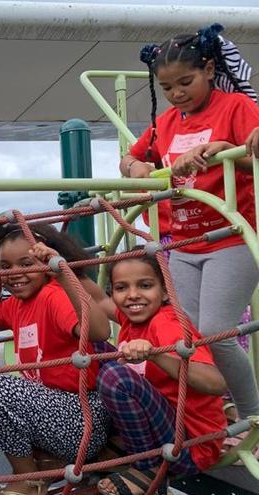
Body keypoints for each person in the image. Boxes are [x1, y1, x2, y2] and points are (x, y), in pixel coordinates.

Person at [119, 23, 259, 422]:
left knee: (217, 330)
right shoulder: (166, 123)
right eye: (167, 88)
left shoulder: (235, 108)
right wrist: (138, 166)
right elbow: (130, 159)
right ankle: (217, 413)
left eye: (185, 82)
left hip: (230, 237)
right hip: (182, 243)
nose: (177, 94)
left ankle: (252, 415)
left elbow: (254, 153)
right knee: (189, 336)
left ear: (210, 70)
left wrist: (222, 150)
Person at [0, 224, 111, 495]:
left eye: (26, 263)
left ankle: (29, 477)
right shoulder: (17, 304)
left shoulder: (54, 296)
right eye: (6, 266)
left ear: (45, 261)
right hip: (52, 414)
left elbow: (100, 331)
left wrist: (62, 273)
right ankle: (42, 466)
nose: (15, 274)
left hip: (82, 417)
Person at [88, 252, 227, 495]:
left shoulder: (166, 323)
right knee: (93, 343)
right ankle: (121, 445)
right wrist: (56, 261)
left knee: (115, 376)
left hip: (189, 446)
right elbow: (96, 298)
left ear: (165, 292)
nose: (132, 295)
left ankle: (147, 468)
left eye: (145, 285)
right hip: (162, 429)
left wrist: (155, 355)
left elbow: (216, 383)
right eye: (122, 287)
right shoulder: (131, 318)